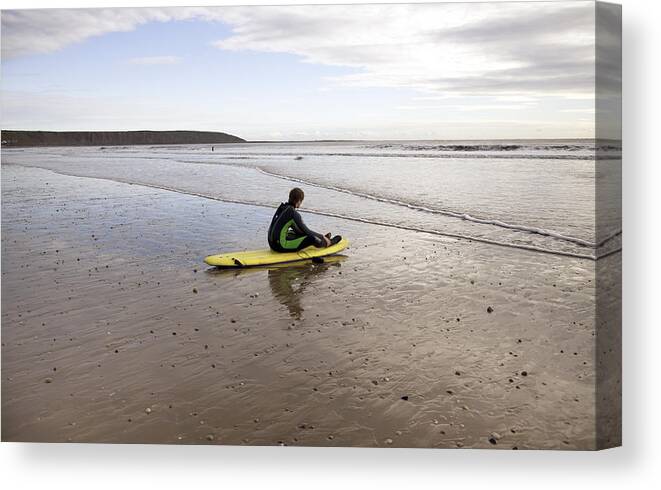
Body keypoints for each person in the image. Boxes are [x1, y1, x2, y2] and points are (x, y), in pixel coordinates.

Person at [268, 188, 341, 252]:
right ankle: (328, 242)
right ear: (299, 201)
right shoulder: (293, 213)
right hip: (280, 246)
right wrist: (322, 236)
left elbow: (297, 230)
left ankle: (322, 239)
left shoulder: (283, 208)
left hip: (272, 243)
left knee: (294, 232)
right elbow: (307, 231)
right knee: (311, 238)